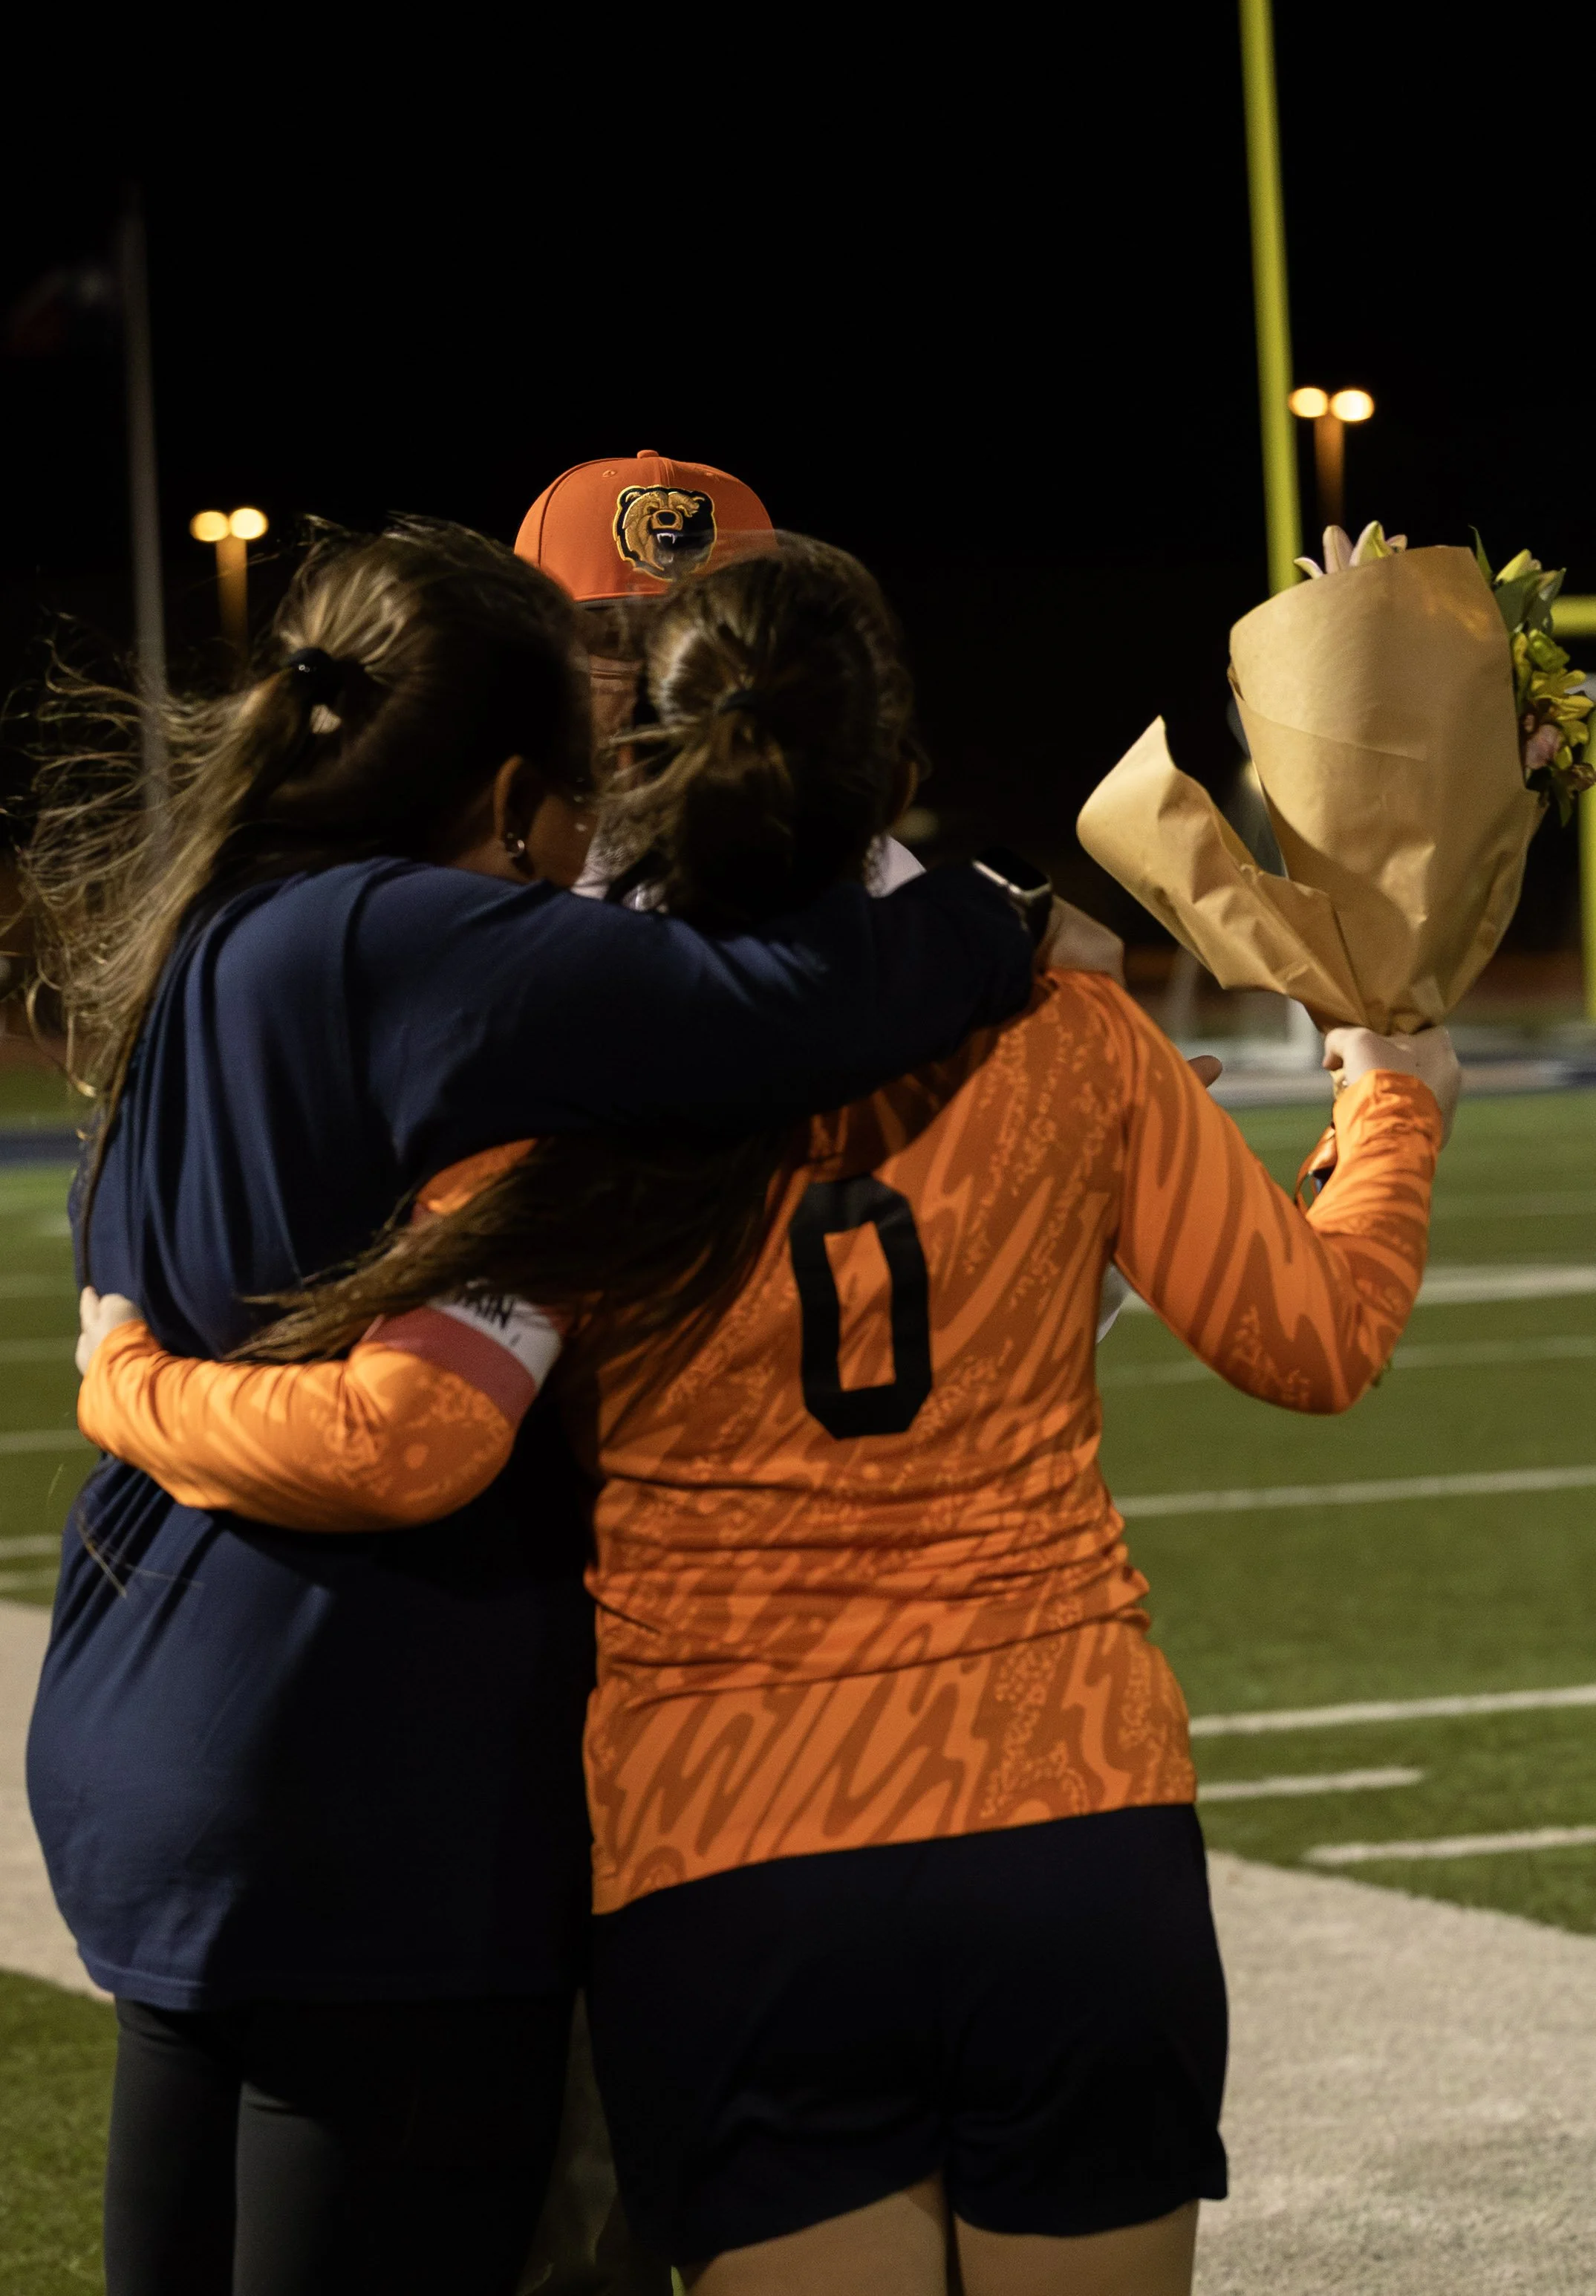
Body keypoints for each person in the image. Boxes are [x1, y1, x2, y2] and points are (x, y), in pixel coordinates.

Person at [77, 535, 1459, 2296]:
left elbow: (421, 1427)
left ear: (632, 766)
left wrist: (128, 1376)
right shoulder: (1070, 1032)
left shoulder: (559, 1095)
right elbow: (1316, 1337)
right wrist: (1390, 1098)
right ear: (902, 767)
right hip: (1067, 1820)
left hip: (735, 1861)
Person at [23, 516, 1044, 2296]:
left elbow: (121, 1300)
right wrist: (993, 911)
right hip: (364, 1786)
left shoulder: (203, 927)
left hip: (143, 1746)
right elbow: (805, 1004)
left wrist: (128, 1391)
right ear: (510, 796)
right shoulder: (441, 943)